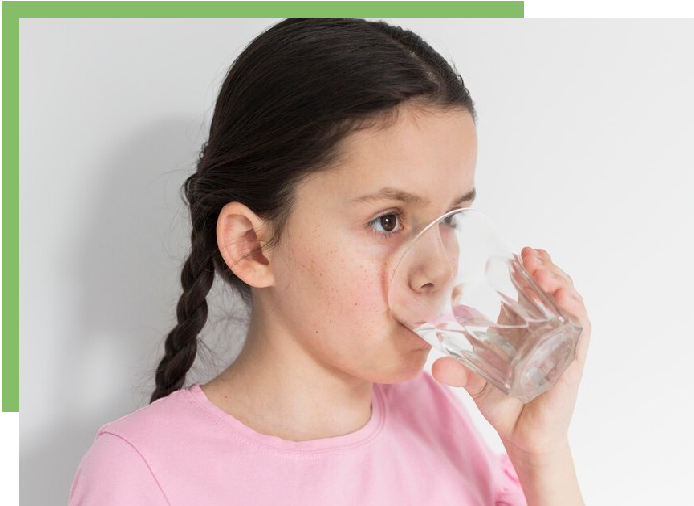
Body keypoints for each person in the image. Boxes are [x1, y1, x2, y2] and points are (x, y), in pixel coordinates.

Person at [69, 18, 591, 506]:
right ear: (252, 245)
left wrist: (539, 454)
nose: (440, 269)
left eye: (453, 218)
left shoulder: (439, 411)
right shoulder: (143, 474)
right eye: (388, 220)